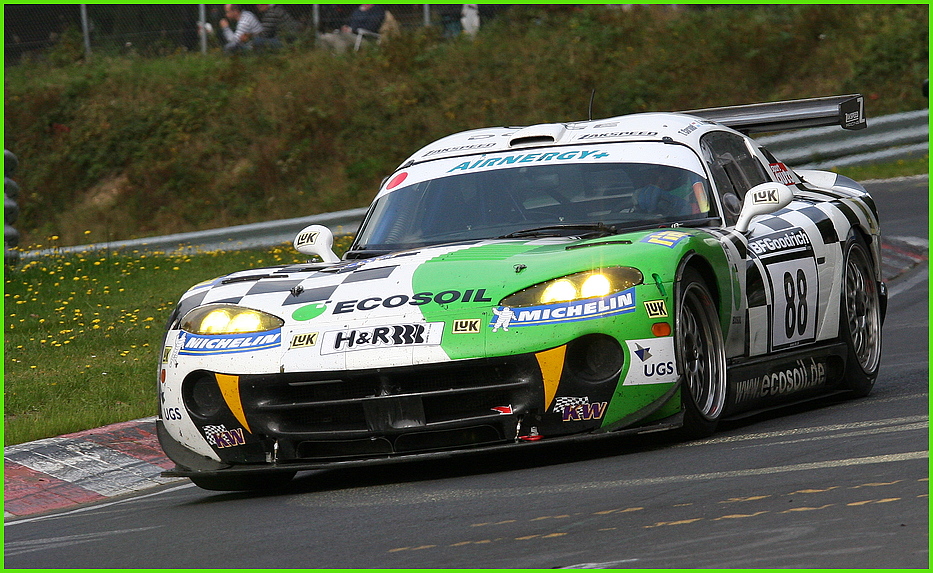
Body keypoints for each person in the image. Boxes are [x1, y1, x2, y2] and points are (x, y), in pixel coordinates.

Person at [318, 4, 386, 53]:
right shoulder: (359, 9)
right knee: (324, 37)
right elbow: (349, 22)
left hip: (364, 38)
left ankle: (340, 62)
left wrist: (352, 29)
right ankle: (326, 61)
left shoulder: (377, 10)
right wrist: (345, 27)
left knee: (341, 38)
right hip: (349, 35)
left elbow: (371, 27)